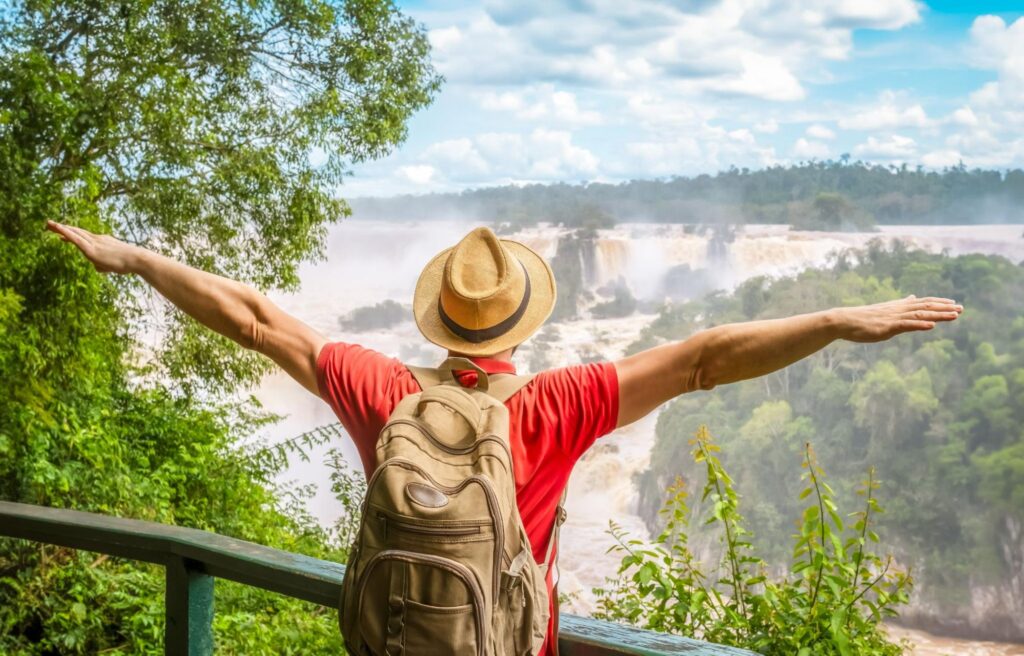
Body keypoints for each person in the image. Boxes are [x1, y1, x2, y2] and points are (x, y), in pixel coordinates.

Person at [46, 220, 962, 654]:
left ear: (440, 323)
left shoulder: (384, 389)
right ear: (521, 325)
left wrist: (135, 258)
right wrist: (842, 318)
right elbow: (704, 359)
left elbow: (252, 318)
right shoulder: (555, 406)